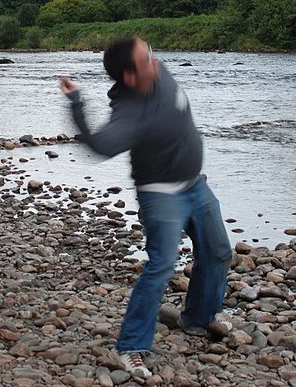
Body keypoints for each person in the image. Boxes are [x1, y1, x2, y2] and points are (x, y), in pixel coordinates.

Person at [59, 37, 232, 378]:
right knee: (162, 266)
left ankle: (198, 318)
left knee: (218, 251)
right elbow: (100, 145)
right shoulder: (129, 112)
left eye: (151, 53)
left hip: (195, 184)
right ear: (130, 78)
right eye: (146, 60)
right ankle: (130, 346)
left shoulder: (158, 72)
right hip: (161, 194)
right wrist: (76, 102)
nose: (155, 60)